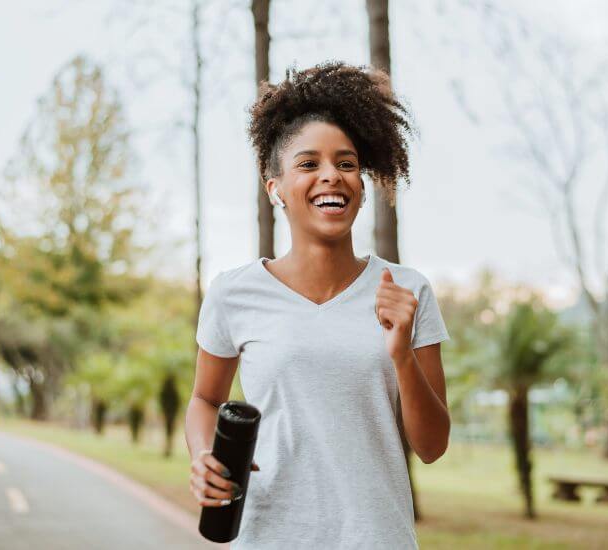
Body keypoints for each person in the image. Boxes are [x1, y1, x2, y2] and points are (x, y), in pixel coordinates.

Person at [184, 60, 451, 550]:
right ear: (276, 189)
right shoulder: (233, 293)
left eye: (346, 164)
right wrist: (205, 454)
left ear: (362, 186)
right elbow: (205, 399)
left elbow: (432, 447)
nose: (332, 176)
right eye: (309, 164)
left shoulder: (407, 291)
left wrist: (401, 355)